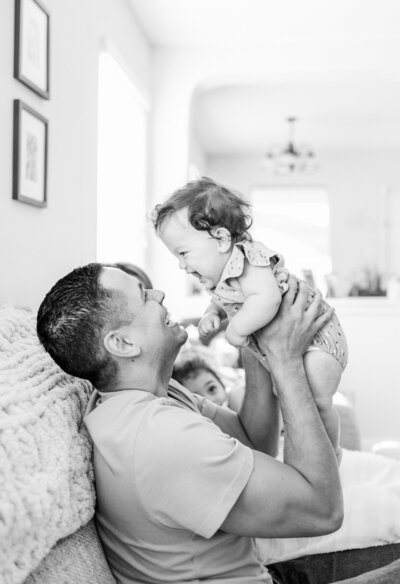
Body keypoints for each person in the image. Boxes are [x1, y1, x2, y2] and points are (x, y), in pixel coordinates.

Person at [37, 262, 344, 584]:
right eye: (143, 296)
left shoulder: (147, 397)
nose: (159, 293)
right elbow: (322, 511)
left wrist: (252, 330)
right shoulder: (161, 436)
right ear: (123, 344)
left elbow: (253, 443)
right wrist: (284, 358)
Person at [152, 177, 347, 460]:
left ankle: (331, 451)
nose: (182, 264)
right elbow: (225, 299)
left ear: (221, 239)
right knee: (294, 400)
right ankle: (315, 458)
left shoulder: (248, 259)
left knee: (316, 399)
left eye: (183, 253)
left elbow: (266, 299)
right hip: (297, 343)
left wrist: (236, 331)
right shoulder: (222, 277)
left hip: (319, 340)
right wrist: (211, 313)